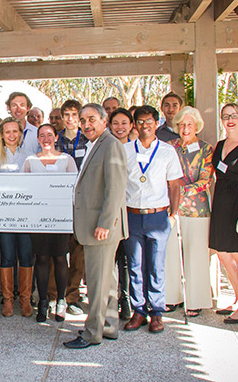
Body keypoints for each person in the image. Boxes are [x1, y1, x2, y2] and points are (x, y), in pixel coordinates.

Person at [64, 103, 128, 349]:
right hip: (95, 225)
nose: (86, 124)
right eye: (83, 120)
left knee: (97, 283)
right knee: (107, 282)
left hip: (100, 227)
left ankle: (92, 334)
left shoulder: (111, 145)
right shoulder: (95, 145)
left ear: (104, 120)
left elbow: (116, 189)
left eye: (91, 119)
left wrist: (105, 223)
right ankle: (109, 326)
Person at [123, 105, 182, 334]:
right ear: (135, 125)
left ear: (156, 123)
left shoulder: (167, 151)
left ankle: (156, 312)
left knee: (156, 266)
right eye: (140, 121)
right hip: (132, 215)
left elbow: (175, 184)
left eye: (149, 121)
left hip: (158, 215)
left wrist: (174, 213)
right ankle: (139, 310)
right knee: (135, 265)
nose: (145, 125)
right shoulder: (126, 150)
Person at [22, 124, 77, 322]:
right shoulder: (30, 161)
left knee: (61, 258)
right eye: (42, 135)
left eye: (50, 135)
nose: (46, 138)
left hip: (62, 219)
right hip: (38, 219)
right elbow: (23, 190)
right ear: (37, 139)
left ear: (56, 138)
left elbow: (74, 190)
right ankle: (43, 301)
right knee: (42, 259)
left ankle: (61, 301)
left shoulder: (66, 160)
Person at [163, 107, 213, 317]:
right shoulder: (169, 146)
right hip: (170, 206)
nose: (185, 128)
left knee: (196, 253)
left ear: (196, 127)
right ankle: (171, 298)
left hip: (197, 208)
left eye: (189, 125)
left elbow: (206, 179)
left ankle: (196, 300)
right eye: (182, 124)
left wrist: (182, 190)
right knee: (170, 252)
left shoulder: (205, 149)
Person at [209, 103, 238, 324]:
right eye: (225, 116)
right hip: (220, 206)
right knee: (223, 254)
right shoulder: (219, 146)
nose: (230, 119)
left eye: (234, 115)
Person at [0, 117, 34, 317]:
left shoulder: (31, 157)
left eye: (15, 131)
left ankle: (25, 300)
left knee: (25, 257)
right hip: (4, 219)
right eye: (7, 132)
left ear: (20, 134)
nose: (12, 136)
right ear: (1, 135)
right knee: (6, 257)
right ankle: (8, 301)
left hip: (26, 218)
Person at [52, 99, 89, 316]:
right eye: (66, 114)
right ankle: (54, 296)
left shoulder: (88, 140)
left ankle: (72, 297)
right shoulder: (54, 140)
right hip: (58, 202)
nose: (70, 119)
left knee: (78, 253)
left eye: (75, 115)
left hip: (82, 203)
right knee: (57, 251)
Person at [108, 107, 137, 319]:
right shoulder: (106, 147)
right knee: (111, 258)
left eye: (124, 123)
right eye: (115, 123)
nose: (120, 127)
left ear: (131, 125)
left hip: (131, 209)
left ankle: (125, 299)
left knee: (127, 259)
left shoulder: (138, 150)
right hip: (110, 210)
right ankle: (108, 300)